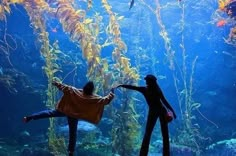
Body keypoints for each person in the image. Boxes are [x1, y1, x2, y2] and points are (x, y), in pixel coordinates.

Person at [23, 80, 115, 156]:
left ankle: (30, 117)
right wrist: (112, 93)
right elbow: (106, 100)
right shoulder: (95, 98)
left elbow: (62, 86)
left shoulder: (73, 90)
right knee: (72, 133)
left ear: (84, 88)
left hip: (65, 110)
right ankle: (71, 152)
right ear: (92, 90)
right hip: (74, 115)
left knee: (48, 113)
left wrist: (56, 83)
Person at [115, 74, 176, 156]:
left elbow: (164, 100)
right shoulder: (152, 89)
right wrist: (122, 85)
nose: (146, 81)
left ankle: (144, 154)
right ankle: (160, 154)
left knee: (153, 133)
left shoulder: (147, 89)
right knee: (158, 133)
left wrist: (172, 111)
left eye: (147, 80)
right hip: (160, 111)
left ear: (151, 82)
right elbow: (133, 87)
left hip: (157, 111)